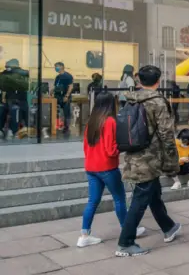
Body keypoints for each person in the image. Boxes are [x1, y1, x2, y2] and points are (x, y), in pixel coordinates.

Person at [116, 65, 181, 257]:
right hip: (151, 158)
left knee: (153, 193)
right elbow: (166, 135)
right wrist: (172, 162)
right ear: (158, 81)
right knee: (140, 199)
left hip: (133, 156)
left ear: (139, 80)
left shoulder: (131, 99)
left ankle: (168, 227)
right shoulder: (158, 102)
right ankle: (125, 242)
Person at [78, 91, 146, 248]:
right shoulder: (110, 122)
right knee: (119, 199)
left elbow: (85, 147)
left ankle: (84, 235)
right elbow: (110, 150)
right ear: (111, 104)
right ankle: (128, 230)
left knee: (92, 201)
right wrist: (122, 149)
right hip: (107, 168)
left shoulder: (91, 122)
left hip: (91, 167)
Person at [0, 59, 29, 139]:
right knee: (2, 109)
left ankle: (14, 130)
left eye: (8, 67)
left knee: (16, 111)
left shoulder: (22, 73)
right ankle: (2, 129)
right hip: (9, 98)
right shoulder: (6, 74)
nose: (7, 68)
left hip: (20, 99)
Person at [53, 62, 74, 135]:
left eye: (56, 67)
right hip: (57, 97)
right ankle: (57, 125)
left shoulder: (68, 76)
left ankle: (66, 128)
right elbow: (56, 86)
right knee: (55, 111)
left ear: (62, 67)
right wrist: (52, 91)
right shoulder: (57, 77)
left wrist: (67, 96)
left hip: (65, 97)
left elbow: (70, 86)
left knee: (66, 113)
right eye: (55, 67)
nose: (55, 68)